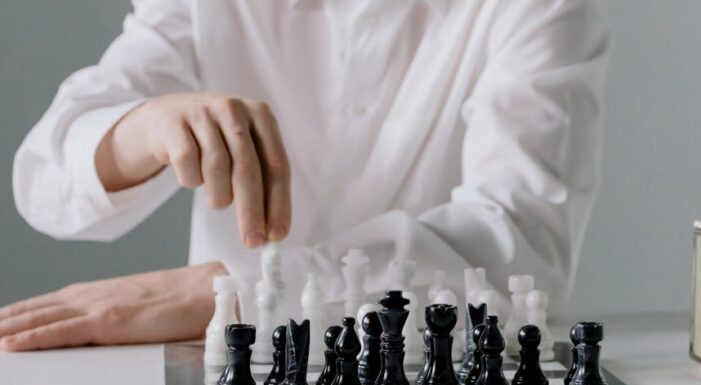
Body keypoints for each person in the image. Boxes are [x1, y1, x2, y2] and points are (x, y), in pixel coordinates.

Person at [1, 0, 608, 351]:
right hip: (224, 382)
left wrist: (217, 292)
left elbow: (519, 247)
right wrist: (146, 126)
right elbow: (46, 185)